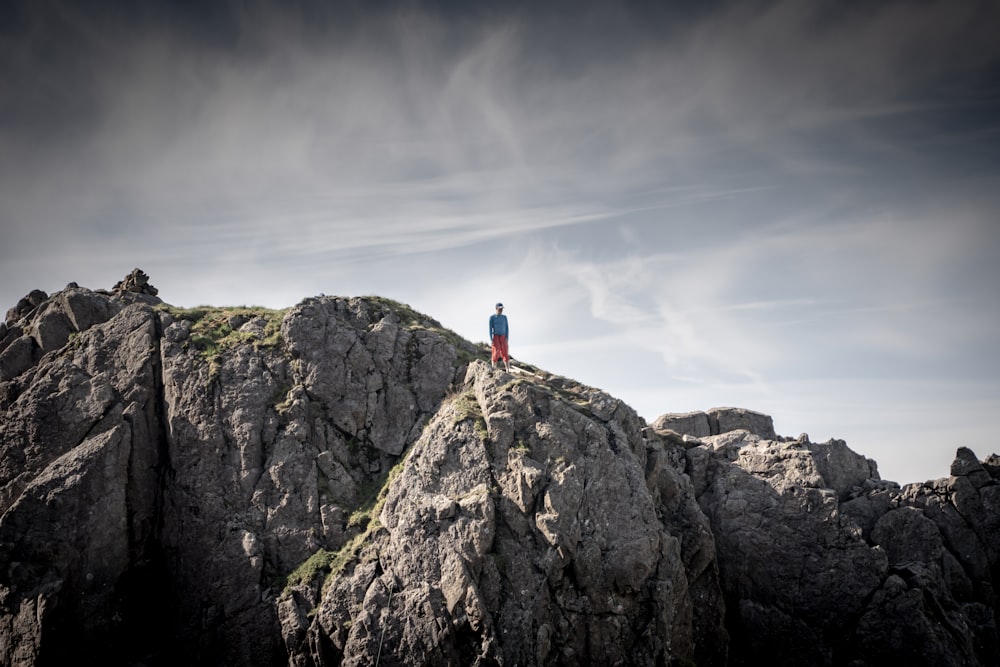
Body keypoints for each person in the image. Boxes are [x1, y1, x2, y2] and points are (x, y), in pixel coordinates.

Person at [489, 302, 510, 372]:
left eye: (502, 309)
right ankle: (493, 368)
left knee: (505, 352)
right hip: (496, 336)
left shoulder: (504, 317)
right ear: (496, 308)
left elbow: (507, 328)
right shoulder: (492, 318)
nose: (501, 310)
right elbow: (490, 329)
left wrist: (507, 338)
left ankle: (507, 369)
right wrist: (491, 339)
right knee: (495, 352)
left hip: (503, 337)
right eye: (500, 309)